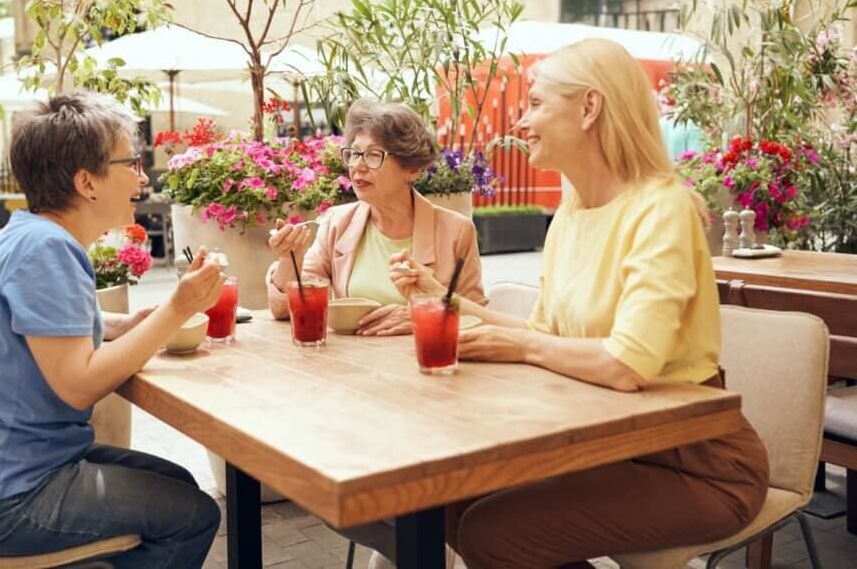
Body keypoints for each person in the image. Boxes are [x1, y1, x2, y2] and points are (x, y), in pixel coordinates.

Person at [391, 39, 769, 568]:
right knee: (451, 501)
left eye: (537, 104)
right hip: (603, 441)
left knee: (493, 535)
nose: (522, 123)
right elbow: (545, 335)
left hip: (695, 464)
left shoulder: (663, 208)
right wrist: (448, 302)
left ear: (590, 108)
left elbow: (626, 363)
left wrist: (519, 345)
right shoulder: (570, 212)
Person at [0, 92, 225, 569]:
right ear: (87, 181)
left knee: (179, 485)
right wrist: (175, 309)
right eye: (133, 162)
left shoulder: (31, 235)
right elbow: (77, 386)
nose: (144, 177)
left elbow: (40, 326)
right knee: (193, 514)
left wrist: (127, 325)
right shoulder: (47, 250)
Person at [266, 99, 485, 336]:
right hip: (353, 365)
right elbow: (285, 310)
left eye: (372, 155)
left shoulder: (456, 231)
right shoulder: (337, 224)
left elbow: (478, 318)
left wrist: (424, 316)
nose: (357, 166)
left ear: (412, 168)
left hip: (421, 362)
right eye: (354, 153)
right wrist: (290, 259)